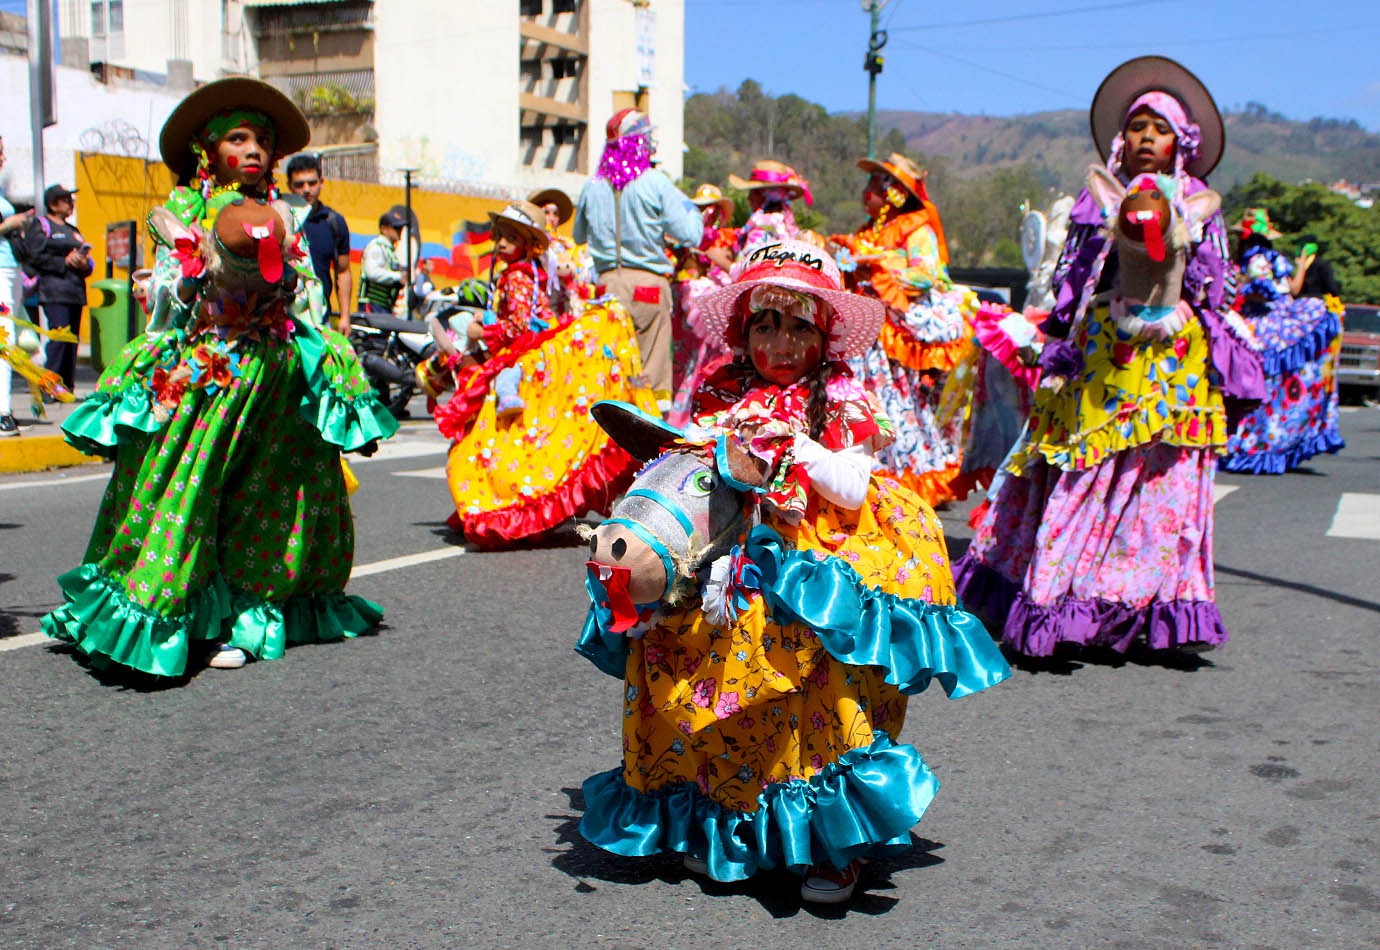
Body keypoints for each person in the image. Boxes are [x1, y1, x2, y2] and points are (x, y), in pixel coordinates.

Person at [576, 239, 1010, 904]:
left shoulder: (840, 393)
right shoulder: (723, 385)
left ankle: (831, 844)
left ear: (826, 333)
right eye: (764, 324)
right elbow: (691, 460)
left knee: (813, 675)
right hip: (732, 539)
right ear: (744, 330)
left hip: (817, 547)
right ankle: (732, 824)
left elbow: (852, 489)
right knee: (700, 671)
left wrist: (798, 449)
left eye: (798, 325)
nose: (779, 342)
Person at [41, 75, 398, 678]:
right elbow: (166, 291)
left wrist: (316, 344)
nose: (254, 149)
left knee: (268, 498)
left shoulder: (285, 212)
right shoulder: (186, 208)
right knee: (183, 486)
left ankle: (251, 615)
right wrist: (183, 280)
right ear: (210, 151)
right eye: (239, 137)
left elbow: (304, 291)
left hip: (277, 371)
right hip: (209, 368)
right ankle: (163, 612)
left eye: (262, 139)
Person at [954, 55, 1263, 658]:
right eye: (1139, 126)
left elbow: (1214, 283)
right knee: (1085, 470)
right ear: (1124, 137)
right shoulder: (1098, 198)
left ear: (1183, 142)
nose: (1148, 138)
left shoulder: (1202, 201)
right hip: (1104, 351)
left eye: (1162, 128)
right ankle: (1064, 600)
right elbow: (1076, 279)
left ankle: (1145, 606)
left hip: (1178, 357)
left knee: (1164, 481)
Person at [431, 200, 659, 546]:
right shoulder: (527, 270)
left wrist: (483, 333)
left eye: (512, 236)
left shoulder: (519, 274)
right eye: (501, 236)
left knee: (505, 435)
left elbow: (519, 326)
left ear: (527, 242)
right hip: (535, 347)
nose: (503, 242)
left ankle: (501, 505)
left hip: (526, 353)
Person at [829, 152, 974, 504]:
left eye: (874, 183)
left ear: (894, 191)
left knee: (899, 400)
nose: (866, 190)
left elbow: (927, 274)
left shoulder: (915, 227)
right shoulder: (870, 229)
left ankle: (902, 474)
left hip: (895, 332)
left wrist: (881, 270)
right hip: (869, 331)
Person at [573, 108, 703, 409]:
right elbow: (690, 234)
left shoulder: (592, 186)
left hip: (607, 288)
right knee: (649, 375)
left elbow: (579, 235)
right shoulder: (654, 182)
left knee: (612, 370)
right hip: (648, 287)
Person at [1220, 210, 1344, 473]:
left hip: (1260, 324)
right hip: (1278, 320)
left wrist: (1239, 293)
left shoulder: (1253, 259)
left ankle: (1251, 442)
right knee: (1277, 383)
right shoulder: (1274, 259)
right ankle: (1276, 441)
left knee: (1252, 383)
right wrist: (1299, 264)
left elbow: (1258, 294)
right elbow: (1293, 290)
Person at [666, 183, 737, 426]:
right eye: (703, 209)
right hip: (686, 301)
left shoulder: (725, 240)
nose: (708, 214)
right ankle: (681, 412)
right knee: (685, 362)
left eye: (711, 209)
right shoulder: (684, 239)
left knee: (704, 362)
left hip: (708, 306)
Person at [22, 184, 93, 393]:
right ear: (53, 204)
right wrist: (64, 262)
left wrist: (82, 264)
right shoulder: (41, 226)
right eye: (66, 200)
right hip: (54, 291)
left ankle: (67, 386)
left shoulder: (73, 231)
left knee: (72, 341)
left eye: (72, 200)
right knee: (59, 337)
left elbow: (87, 264)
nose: (71, 204)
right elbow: (34, 256)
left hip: (75, 291)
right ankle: (50, 386)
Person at [286, 152, 354, 333]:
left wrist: (345, 316)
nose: (306, 189)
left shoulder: (333, 222)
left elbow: (343, 270)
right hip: (285, 317)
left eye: (312, 183)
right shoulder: (283, 220)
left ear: (321, 182)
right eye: (299, 184)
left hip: (320, 318)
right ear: (289, 186)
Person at [0, 134, 35, 436]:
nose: (3, 158)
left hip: (11, 271)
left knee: (15, 339)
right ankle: (2, 411)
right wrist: (8, 225)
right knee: (5, 340)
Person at [727, 159, 818, 251]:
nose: (749, 198)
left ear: (764, 196)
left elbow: (752, 261)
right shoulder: (785, 222)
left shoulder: (763, 223)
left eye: (753, 192)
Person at [357, 206, 407, 315]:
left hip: (383, 305)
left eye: (401, 228)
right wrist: (398, 277)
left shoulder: (389, 250)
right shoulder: (376, 246)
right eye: (396, 227)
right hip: (372, 303)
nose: (400, 231)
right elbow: (372, 272)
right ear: (384, 229)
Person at [1291, 233, 1342, 300]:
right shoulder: (1295, 265)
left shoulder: (1321, 265)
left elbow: (1330, 286)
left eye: (1302, 246)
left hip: (1315, 303)